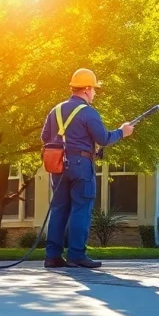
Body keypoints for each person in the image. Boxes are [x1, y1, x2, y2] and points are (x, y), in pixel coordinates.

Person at [41, 68, 134, 269]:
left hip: (58, 166)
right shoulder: (88, 112)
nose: (95, 94)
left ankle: (52, 257)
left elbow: (45, 138)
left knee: (58, 209)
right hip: (81, 166)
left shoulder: (55, 110)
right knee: (80, 209)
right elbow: (103, 138)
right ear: (87, 89)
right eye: (94, 90)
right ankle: (76, 255)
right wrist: (122, 132)